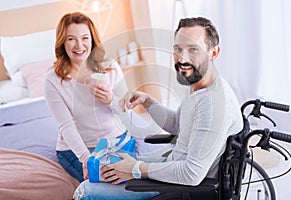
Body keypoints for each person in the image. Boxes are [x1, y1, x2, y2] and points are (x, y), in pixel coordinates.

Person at [73, 17, 243, 199]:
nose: (182, 58)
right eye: (178, 49)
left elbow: (191, 174)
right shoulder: (198, 86)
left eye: (193, 49)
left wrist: (135, 169)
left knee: (86, 191)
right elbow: (178, 125)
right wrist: (148, 102)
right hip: (171, 167)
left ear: (213, 53)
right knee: (104, 168)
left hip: (182, 188)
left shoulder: (214, 104)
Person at [44, 12, 128, 183]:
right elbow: (66, 125)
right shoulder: (53, 79)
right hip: (77, 150)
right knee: (106, 184)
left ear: (92, 40)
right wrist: (85, 158)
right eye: (71, 39)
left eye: (85, 38)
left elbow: (127, 112)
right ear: (62, 42)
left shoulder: (110, 67)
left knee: (134, 180)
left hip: (116, 140)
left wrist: (111, 99)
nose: (79, 45)